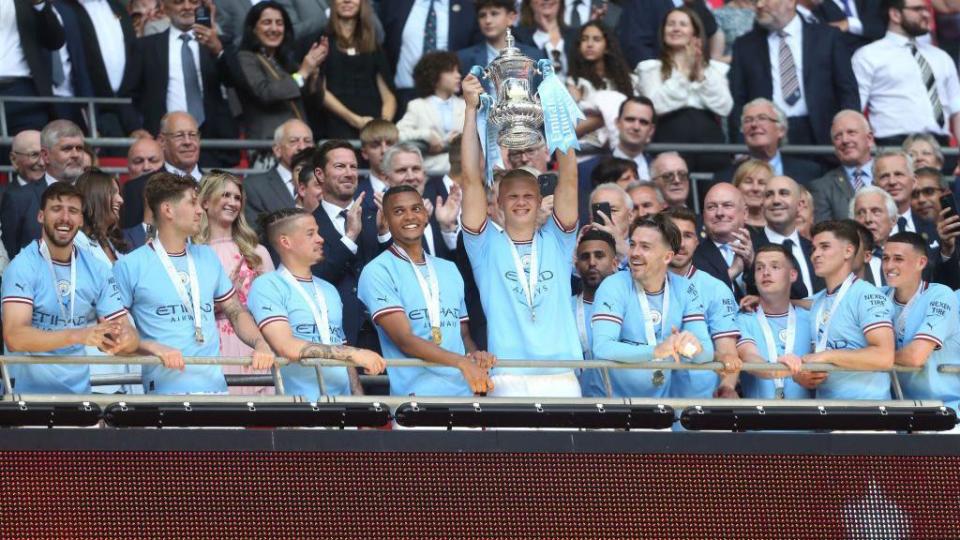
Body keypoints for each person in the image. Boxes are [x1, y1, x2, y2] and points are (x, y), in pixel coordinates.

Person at [460, 72, 583, 397]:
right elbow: (472, 180)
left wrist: (556, 108)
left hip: (562, 376)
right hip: (508, 376)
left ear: (540, 199)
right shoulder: (484, 246)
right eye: (512, 196)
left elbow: (569, 179)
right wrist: (471, 110)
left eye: (528, 195)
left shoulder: (558, 240)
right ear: (497, 203)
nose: (521, 202)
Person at [113, 172, 275, 394]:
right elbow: (114, 329)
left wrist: (260, 343)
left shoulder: (207, 257)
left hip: (215, 391)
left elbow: (235, 310)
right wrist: (152, 347)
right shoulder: (131, 264)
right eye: (192, 203)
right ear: (168, 210)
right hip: (165, 393)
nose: (200, 211)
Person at [359, 186, 497, 396]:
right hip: (415, 401)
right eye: (398, 211)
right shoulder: (377, 271)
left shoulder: (449, 269)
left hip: (463, 396)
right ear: (386, 220)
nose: (409, 216)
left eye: (416, 209)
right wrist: (462, 363)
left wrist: (476, 356)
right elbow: (405, 340)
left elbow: (463, 335)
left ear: (425, 215)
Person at [1, 183, 138, 394]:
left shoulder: (98, 269)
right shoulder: (22, 266)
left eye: (73, 211)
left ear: (81, 220)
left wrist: (123, 340)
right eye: (56, 209)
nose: (65, 218)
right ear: (40, 216)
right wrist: (79, 335)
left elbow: (126, 331)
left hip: (80, 398)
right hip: (28, 400)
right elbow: (15, 337)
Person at [248, 208, 385, 399]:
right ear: (285, 242)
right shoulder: (267, 285)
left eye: (318, 232)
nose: (320, 239)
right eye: (310, 233)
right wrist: (354, 353)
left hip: (344, 409)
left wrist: (359, 400)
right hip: (301, 410)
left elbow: (340, 343)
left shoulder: (329, 289)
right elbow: (286, 347)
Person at [591, 214, 715, 397]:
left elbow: (707, 354)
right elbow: (602, 347)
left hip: (661, 404)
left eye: (645, 247)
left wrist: (692, 347)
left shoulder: (685, 288)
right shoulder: (613, 285)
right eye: (632, 244)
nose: (634, 253)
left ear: (667, 256)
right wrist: (656, 350)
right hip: (613, 403)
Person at [729, 0, 860, 146]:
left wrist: (851, 133)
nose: (759, 5)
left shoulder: (828, 37)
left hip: (822, 135)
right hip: (767, 137)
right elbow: (738, 100)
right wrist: (739, 146)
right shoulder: (744, 45)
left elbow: (847, 91)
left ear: (790, 2)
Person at [128, 0, 239, 168]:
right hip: (163, 144)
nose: (187, 7)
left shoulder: (220, 42)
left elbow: (237, 82)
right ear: (165, 7)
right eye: (179, 2)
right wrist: (135, 128)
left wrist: (218, 50)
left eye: (194, 2)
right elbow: (128, 94)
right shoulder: (146, 46)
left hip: (213, 144)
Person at [196, 171, 275, 395]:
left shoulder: (256, 252)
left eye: (237, 197)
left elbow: (272, 309)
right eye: (225, 195)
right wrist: (223, 301)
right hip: (210, 346)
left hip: (253, 345)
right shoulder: (192, 253)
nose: (232, 202)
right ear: (205, 202)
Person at [800, 219, 895, 399]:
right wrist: (802, 376)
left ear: (848, 251)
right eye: (813, 249)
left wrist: (827, 356)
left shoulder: (867, 295)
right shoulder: (818, 301)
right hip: (828, 414)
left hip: (870, 416)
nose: (815, 255)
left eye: (824, 246)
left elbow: (884, 356)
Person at [311, 140, 390, 350]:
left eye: (353, 166)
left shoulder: (377, 217)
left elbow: (395, 274)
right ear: (320, 174)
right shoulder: (307, 225)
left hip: (383, 334)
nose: (349, 173)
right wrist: (350, 237)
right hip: (335, 337)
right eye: (340, 166)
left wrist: (384, 234)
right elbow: (315, 276)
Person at [635, 7, 733, 173]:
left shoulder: (714, 70)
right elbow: (656, 105)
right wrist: (685, 71)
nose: (676, 28)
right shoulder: (650, 68)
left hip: (711, 152)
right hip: (668, 148)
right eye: (670, 24)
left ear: (695, 34)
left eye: (682, 24)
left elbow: (725, 107)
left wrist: (699, 71)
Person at [853, 0, 960, 147]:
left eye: (927, 9)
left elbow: (957, 109)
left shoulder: (942, 57)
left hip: (940, 148)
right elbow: (855, 109)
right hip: (893, 147)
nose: (926, 14)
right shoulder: (868, 55)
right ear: (895, 14)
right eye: (918, 9)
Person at [665, 208, 742, 399]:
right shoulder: (640, 285)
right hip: (652, 399)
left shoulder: (717, 288)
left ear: (697, 241)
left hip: (702, 404)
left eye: (688, 235)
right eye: (674, 235)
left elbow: (727, 352)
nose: (681, 243)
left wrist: (727, 387)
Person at [881, 231, 960, 410]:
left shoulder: (940, 295)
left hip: (948, 410)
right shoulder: (878, 295)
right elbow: (822, 301)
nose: (889, 266)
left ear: (921, 262)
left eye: (898, 259)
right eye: (885, 258)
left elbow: (915, 357)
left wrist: (872, 357)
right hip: (905, 411)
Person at [235, 2, 328, 143]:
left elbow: (314, 104)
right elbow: (265, 92)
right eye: (267, 22)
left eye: (279, 23)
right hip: (268, 145)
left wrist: (313, 74)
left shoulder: (286, 62)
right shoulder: (246, 58)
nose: (274, 28)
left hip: (299, 144)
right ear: (253, 28)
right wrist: (303, 73)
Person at [736, 244, 814, 399]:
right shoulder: (743, 319)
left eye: (775, 267)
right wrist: (780, 367)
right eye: (759, 268)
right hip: (759, 419)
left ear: (792, 275)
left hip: (806, 419)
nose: (765, 272)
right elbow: (749, 357)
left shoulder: (811, 318)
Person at [1, 120, 85, 260]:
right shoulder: (19, 199)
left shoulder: (93, 194)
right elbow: (11, 254)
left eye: (79, 148)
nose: (75, 154)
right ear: (45, 156)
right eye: (67, 148)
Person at [379, 0, 481, 112]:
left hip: (451, 98)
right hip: (404, 96)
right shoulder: (394, 4)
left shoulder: (468, 8)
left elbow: (474, 53)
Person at [322, 0, 396, 139]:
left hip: (373, 131)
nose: (347, 1)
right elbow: (321, 91)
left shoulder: (373, 44)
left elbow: (388, 95)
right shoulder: (322, 41)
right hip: (336, 126)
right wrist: (354, 120)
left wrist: (382, 124)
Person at [121, 112, 205, 229]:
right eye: (179, 136)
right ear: (162, 141)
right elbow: (132, 239)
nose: (187, 142)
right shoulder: (137, 189)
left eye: (192, 135)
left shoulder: (219, 186)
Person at [712, 99, 822, 186]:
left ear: (781, 130)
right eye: (748, 120)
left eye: (762, 118)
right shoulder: (725, 179)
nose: (754, 124)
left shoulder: (809, 173)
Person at [381, 143, 461, 260]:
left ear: (424, 174)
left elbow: (460, 264)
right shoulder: (374, 215)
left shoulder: (440, 207)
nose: (411, 176)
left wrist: (447, 228)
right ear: (386, 178)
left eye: (416, 169)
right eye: (402, 170)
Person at [566, 21, 635, 151]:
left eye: (596, 39)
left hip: (620, 148)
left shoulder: (627, 81)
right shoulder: (572, 83)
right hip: (585, 150)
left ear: (607, 46)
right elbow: (568, 129)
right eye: (584, 40)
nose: (590, 44)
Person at [753, 175, 824, 298]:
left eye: (784, 193)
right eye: (769, 195)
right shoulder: (750, 249)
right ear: (762, 204)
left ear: (800, 204)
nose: (776, 200)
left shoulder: (814, 250)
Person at [0, 0, 64, 134]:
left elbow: (55, 40)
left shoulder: (28, 3)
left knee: (30, 150)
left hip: (23, 92)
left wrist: (39, 4)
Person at [397, 51, 466, 176]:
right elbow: (397, 135)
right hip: (430, 173)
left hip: (464, 173)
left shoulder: (466, 105)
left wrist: (458, 139)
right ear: (434, 76)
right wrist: (426, 135)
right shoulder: (417, 106)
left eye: (458, 71)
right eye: (451, 71)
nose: (458, 76)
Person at [243, 119, 315, 235]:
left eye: (307, 141)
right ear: (277, 150)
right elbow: (254, 234)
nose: (302, 147)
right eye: (293, 141)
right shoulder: (254, 186)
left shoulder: (324, 183)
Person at [572, 228, 619, 397]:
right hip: (582, 406)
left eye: (599, 256)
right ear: (576, 267)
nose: (592, 262)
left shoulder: (631, 304)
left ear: (615, 264)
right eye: (585, 257)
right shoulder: (565, 309)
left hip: (628, 404)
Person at [809, 110, 876, 222]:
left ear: (869, 139)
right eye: (838, 137)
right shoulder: (822, 187)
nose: (845, 140)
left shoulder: (891, 175)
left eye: (851, 133)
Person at [694, 182, 756, 300]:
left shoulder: (765, 247)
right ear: (703, 214)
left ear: (745, 213)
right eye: (711, 207)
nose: (719, 213)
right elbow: (698, 297)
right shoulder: (693, 257)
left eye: (727, 205)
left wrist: (753, 264)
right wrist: (732, 272)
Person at [457, 0, 543, 78]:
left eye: (494, 13)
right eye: (482, 15)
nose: (488, 20)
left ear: (511, 18)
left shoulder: (534, 56)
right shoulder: (463, 58)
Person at [874, 149, 939, 244]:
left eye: (899, 174)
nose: (892, 181)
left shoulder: (933, 227)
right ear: (874, 185)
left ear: (914, 181)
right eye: (884, 176)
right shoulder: (866, 230)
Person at [75, 169, 128, 265]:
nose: (121, 200)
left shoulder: (112, 241)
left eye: (119, 194)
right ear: (95, 197)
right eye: (113, 193)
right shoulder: (78, 240)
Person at [851, 185, 898, 286]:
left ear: (893, 220)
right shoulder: (846, 261)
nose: (868, 219)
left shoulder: (907, 256)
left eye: (876, 211)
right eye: (861, 213)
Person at [357, 119, 400, 199]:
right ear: (365, 153)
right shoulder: (354, 196)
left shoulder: (416, 189)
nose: (384, 150)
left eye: (389, 143)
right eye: (375, 145)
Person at [733, 159, 773, 230]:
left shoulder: (782, 228)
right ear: (737, 187)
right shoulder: (727, 226)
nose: (755, 188)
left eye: (761, 183)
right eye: (748, 182)